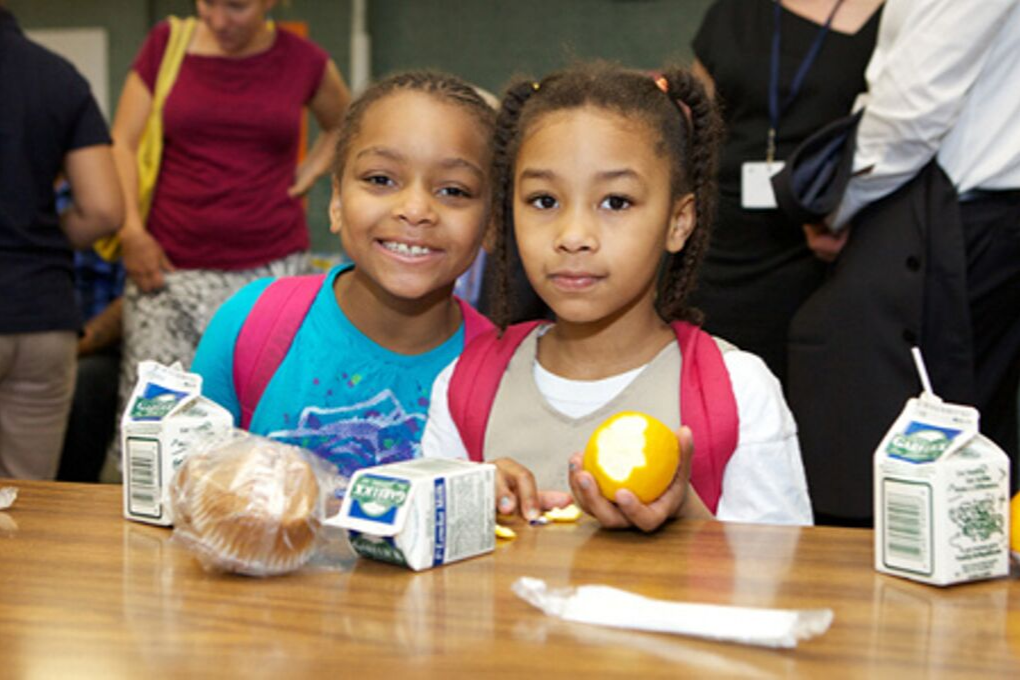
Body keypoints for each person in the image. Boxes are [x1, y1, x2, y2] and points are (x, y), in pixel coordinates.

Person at [422, 63, 813, 531]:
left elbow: (782, 582)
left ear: (678, 221)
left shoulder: (736, 391)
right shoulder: (466, 382)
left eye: (616, 202)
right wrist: (466, 506)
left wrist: (685, 514)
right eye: (544, 201)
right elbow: (424, 581)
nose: (573, 236)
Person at [191, 71, 496, 481]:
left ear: (492, 223)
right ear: (336, 200)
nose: (415, 209)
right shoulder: (251, 321)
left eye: (454, 191)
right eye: (381, 179)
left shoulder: (497, 375)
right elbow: (186, 495)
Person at [791, 0, 1020, 524]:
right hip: (960, 211)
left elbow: (913, 107)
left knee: (924, 461)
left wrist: (839, 206)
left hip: (954, 212)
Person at [107, 0, 351, 471]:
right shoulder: (165, 45)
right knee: (152, 427)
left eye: (236, 7)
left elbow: (342, 122)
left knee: (255, 426)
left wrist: (309, 174)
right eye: (207, 3)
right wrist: (130, 230)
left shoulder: (303, 59)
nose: (218, 20)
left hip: (270, 267)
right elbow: (123, 140)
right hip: (169, 270)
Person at [688, 0, 883, 385]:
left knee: (814, 398)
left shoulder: (901, 15)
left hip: (825, 239)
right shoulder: (735, 10)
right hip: (719, 237)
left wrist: (847, 212)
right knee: (713, 385)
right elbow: (696, 119)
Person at [0, 4, 123, 479]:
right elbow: (104, 210)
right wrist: (40, 236)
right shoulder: (59, 78)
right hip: (42, 319)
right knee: (28, 506)